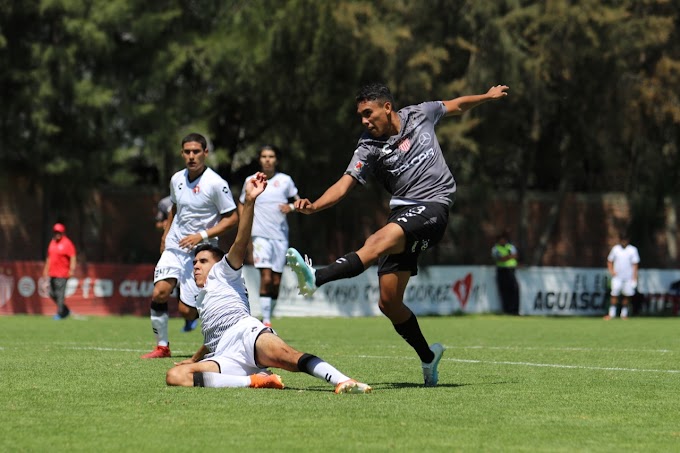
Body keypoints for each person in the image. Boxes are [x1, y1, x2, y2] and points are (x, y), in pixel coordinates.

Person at [286, 82, 509, 387]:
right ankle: (428, 357)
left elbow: (456, 105)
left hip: (434, 206)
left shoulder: (420, 114)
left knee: (376, 242)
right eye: (360, 116)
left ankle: (317, 277)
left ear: (386, 107)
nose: (364, 121)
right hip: (403, 214)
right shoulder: (368, 146)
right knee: (389, 302)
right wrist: (314, 206)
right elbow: (345, 183)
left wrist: (487, 97)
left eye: (368, 113)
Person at [166, 172, 371, 394]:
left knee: (288, 357)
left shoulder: (224, 272)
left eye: (203, 261)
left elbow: (241, 240)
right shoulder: (202, 297)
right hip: (224, 354)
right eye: (195, 261)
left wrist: (250, 201)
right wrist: (193, 359)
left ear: (218, 263)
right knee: (175, 376)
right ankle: (255, 380)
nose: (196, 265)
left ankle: (343, 380)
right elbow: (213, 337)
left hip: (246, 334)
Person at [142, 133, 239, 358]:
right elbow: (174, 209)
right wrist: (165, 235)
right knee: (160, 292)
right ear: (182, 153)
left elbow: (232, 218)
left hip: (200, 250)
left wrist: (202, 235)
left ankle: (200, 319)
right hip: (175, 245)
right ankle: (162, 346)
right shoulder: (176, 179)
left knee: (187, 311)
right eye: (187, 152)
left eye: (196, 151)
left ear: (205, 153)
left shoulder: (216, 183)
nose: (191, 156)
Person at [238, 145, 299, 327]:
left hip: (280, 236)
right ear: (259, 159)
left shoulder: (285, 180)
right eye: (264, 156)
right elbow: (243, 203)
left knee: (276, 280)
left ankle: (269, 316)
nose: (267, 159)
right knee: (266, 276)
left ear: (276, 160)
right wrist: (245, 227)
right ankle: (266, 321)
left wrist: (292, 207)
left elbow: (299, 201)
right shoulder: (251, 180)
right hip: (260, 236)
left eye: (271, 156)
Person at [42, 223, 77, 320]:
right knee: (51, 293)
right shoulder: (52, 242)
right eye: (55, 232)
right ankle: (66, 310)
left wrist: (72, 269)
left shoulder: (67, 243)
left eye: (59, 232)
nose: (57, 234)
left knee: (60, 294)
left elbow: (73, 257)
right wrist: (45, 270)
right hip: (52, 273)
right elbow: (49, 258)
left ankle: (60, 313)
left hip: (62, 273)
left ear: (62, 233)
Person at [604, 233, 640, 320]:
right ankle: (612, 313)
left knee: (626, 295)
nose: (624, 242)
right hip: (617, 277)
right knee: (614, 294)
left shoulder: (632, 250)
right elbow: (609, 261)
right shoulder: (616, 249)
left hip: (628, 277)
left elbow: (635, 265)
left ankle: (624, 314)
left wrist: (634, 278)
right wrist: (612, 271)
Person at [491, 230, 520, 315]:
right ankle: (506, 310)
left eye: (504, 239)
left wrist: (507, 257)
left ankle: (515, 311)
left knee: (514, 290)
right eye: (501, 239)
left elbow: (515, 256)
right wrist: (509, 256)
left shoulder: (510, 247)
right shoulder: (496, 249)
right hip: (502, 271)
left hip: (511, 270)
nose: (503, 241)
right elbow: (500, 259)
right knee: (504, 291)